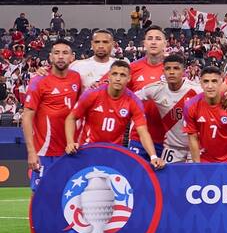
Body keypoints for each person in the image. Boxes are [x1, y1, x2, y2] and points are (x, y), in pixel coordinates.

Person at [21, 39, 82, 233]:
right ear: (50, 57)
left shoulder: (77, 78)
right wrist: (31, 151)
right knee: (38, 198)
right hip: (44, 152)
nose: (61, 57)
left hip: (69, 151)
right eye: (56, 53)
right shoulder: (39, 81)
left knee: (71, 197)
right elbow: (26, 118)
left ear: (72, 57)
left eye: (65, 53)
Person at [64, 61, 164, 168]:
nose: (118, 78)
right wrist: (70, 142)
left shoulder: (133, 101)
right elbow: (71, 118)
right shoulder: (92, 94)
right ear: (109, 76)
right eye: (114, 74)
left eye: (122, 75)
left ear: (129, 78)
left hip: (115, 153)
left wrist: (153, 157)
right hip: (89, 150)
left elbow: (143, 131)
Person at [136, 54, 202, 164]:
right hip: (172, 148)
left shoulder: (196, 90)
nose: (171, 72)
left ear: (183, 71)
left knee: (195, 180)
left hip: (196, 146)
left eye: (176, 68)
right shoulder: (156, 89)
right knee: (166, 179)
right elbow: (131, 98)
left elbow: (218, 98)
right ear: (163, 71)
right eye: (168, 68)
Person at [183, 66, 227, 163]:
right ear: (200, 83)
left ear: (221, 82)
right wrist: (197, 166)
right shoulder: (190, 106)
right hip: (204, 158)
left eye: (214, 81)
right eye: (206, 81)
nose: (210, 86)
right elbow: (193, 138)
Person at [125, 26, 168, 160]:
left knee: (165, 180)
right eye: (150, 39)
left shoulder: (173, 69)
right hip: (138, 137)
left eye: (158, 39)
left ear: (165, 44)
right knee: (137, 178)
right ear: (144, 43)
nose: (153, 42)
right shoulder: (132, 68)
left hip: (168, 139)